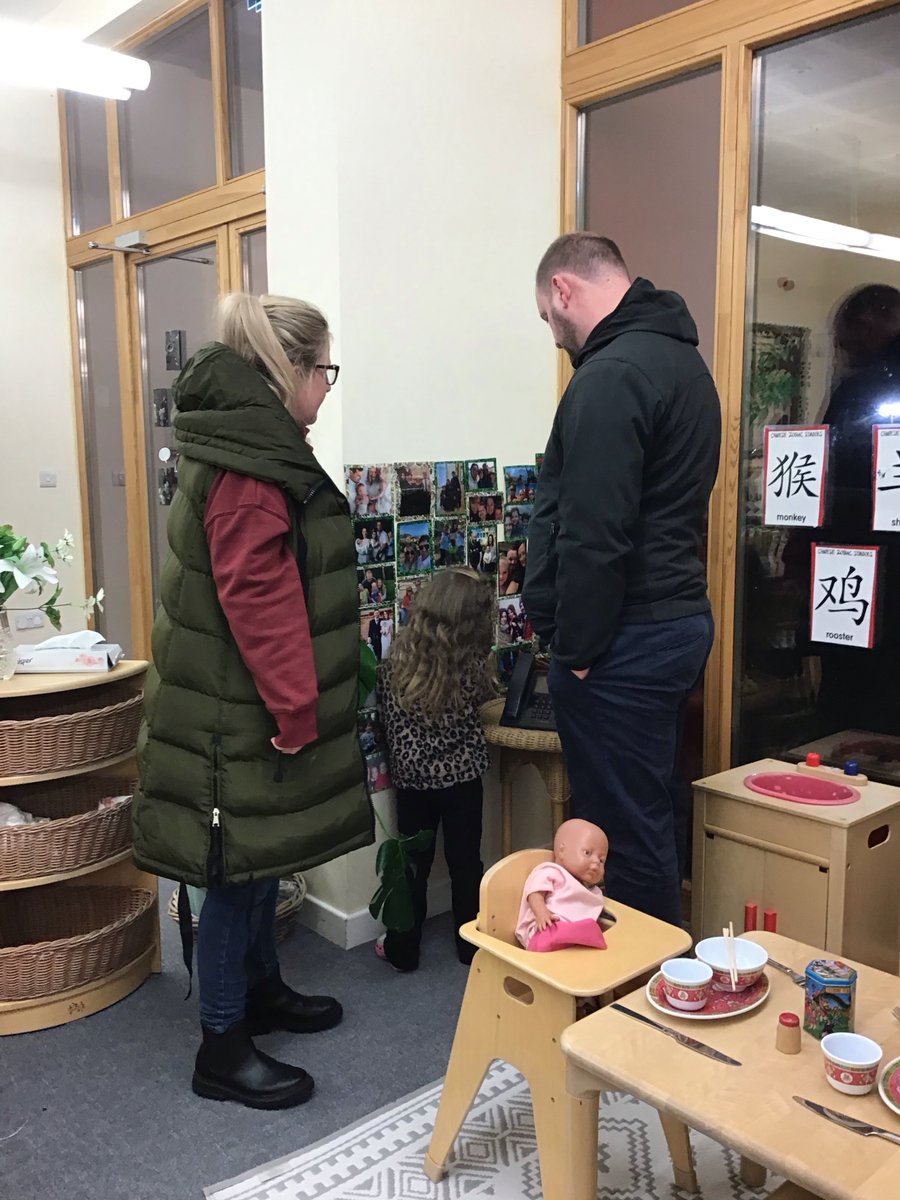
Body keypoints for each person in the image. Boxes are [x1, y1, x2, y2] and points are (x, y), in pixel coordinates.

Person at [133, 292, 372, 1110]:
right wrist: (297, 709)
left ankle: (262, 991)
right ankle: (223, 1047)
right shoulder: (250, 464)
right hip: (235, 715)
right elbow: (257, 595)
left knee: (263, 856)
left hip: (237, 705)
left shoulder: (250, 445)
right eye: (324, 371)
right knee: (235, 876)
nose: (327, 388)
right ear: (290, 372)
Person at [525, 232, 720, 927]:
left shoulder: (612, 375)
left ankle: (639, 1009)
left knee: (616, 834)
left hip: (623, 641)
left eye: (551, 322)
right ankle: (661, 984)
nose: (557, 339)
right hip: (669, 622)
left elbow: (595, 534)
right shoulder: (684, 363)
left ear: (563, 291)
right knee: (649, 809)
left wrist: (576, 652)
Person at [375, 568, 497, 971]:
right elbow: (486, 701)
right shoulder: (474, 667)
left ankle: (403, 947)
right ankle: (470, 947)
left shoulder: (394, 668)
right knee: (466, 862)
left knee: (413, 865)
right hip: (463, 779)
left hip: (413, 783)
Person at [516, 819, 609, 951]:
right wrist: (541, 913)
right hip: (545, 928)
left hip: (570, 938)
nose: (596, 862)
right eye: (587, 853)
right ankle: (582, 934)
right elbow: (534, 893)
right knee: (583, 930)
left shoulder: (588, 889)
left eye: (601, 860)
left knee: (591, 928)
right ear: (562, 851)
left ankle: (582, 935)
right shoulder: (551, 872)